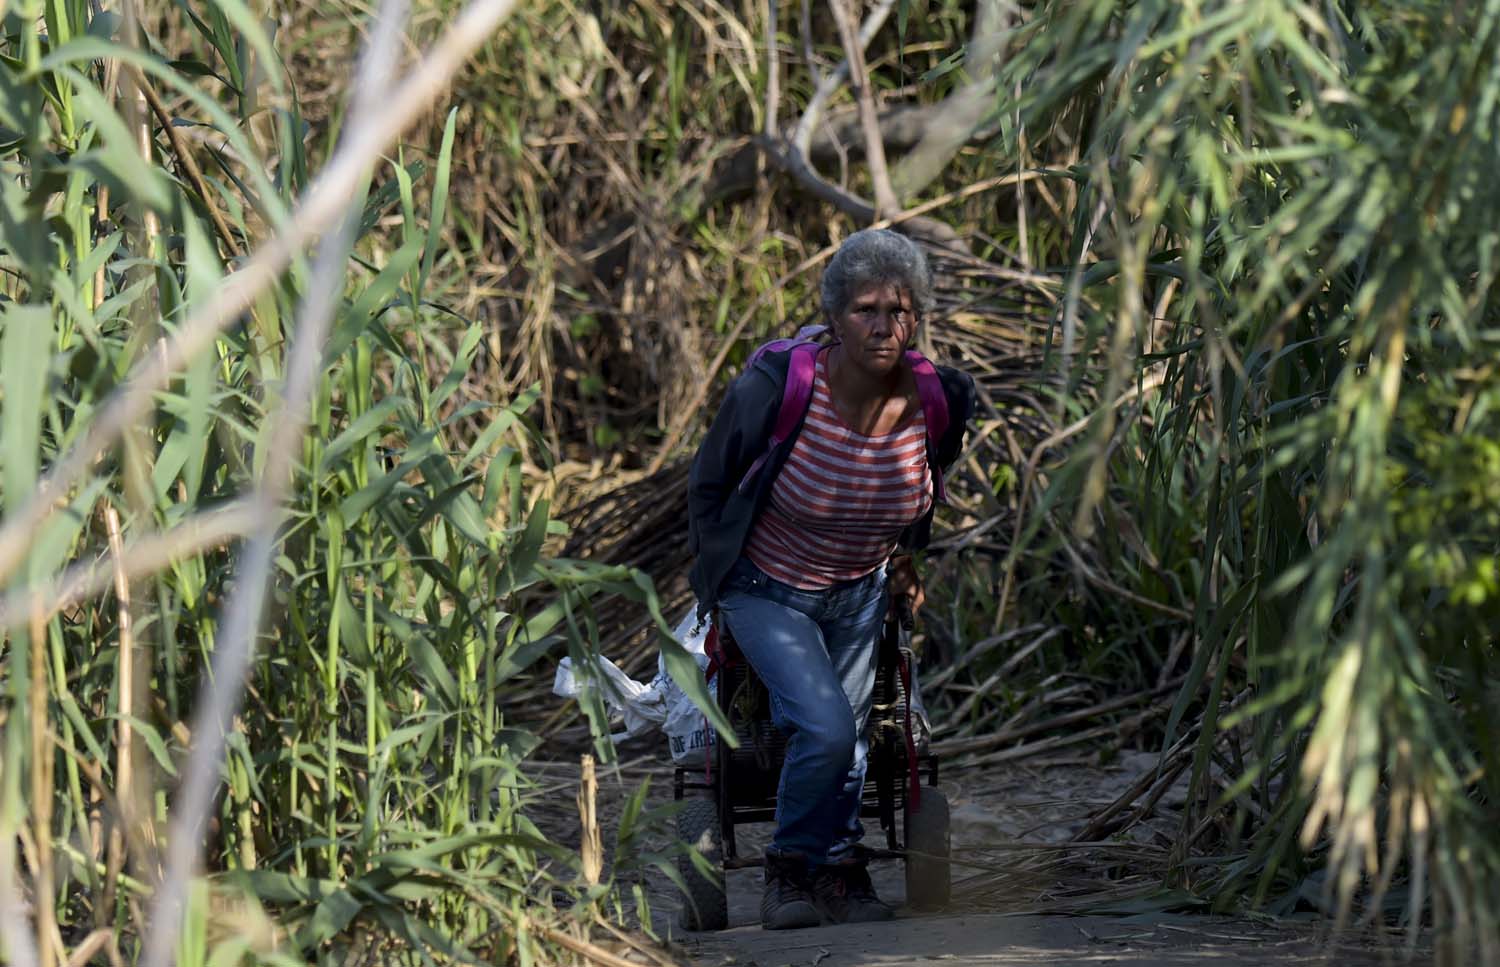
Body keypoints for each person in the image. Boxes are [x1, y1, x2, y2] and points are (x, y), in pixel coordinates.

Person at [687, 228, 976, 930]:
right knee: (825, 727)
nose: (884, 326)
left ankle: (838, 875)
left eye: (900, 311)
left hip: (858, 594)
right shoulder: (779, 387)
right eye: (866, 310)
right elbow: (709, 483)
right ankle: (787, 871)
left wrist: (905, 561)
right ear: (834, 317)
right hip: (765, 589)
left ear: (920, 317)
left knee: (847, 739)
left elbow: (920, 492)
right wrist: (714, 581)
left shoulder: (941, 401)